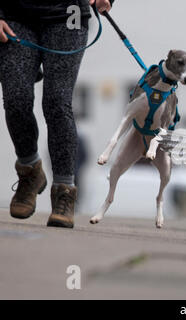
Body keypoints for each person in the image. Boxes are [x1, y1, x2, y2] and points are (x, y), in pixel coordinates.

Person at [0, 0, 112, 228]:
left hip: (67, 16)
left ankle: (64, 192)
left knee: (57, 101)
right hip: (14, 15)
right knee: (16, 98)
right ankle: (30, 170)